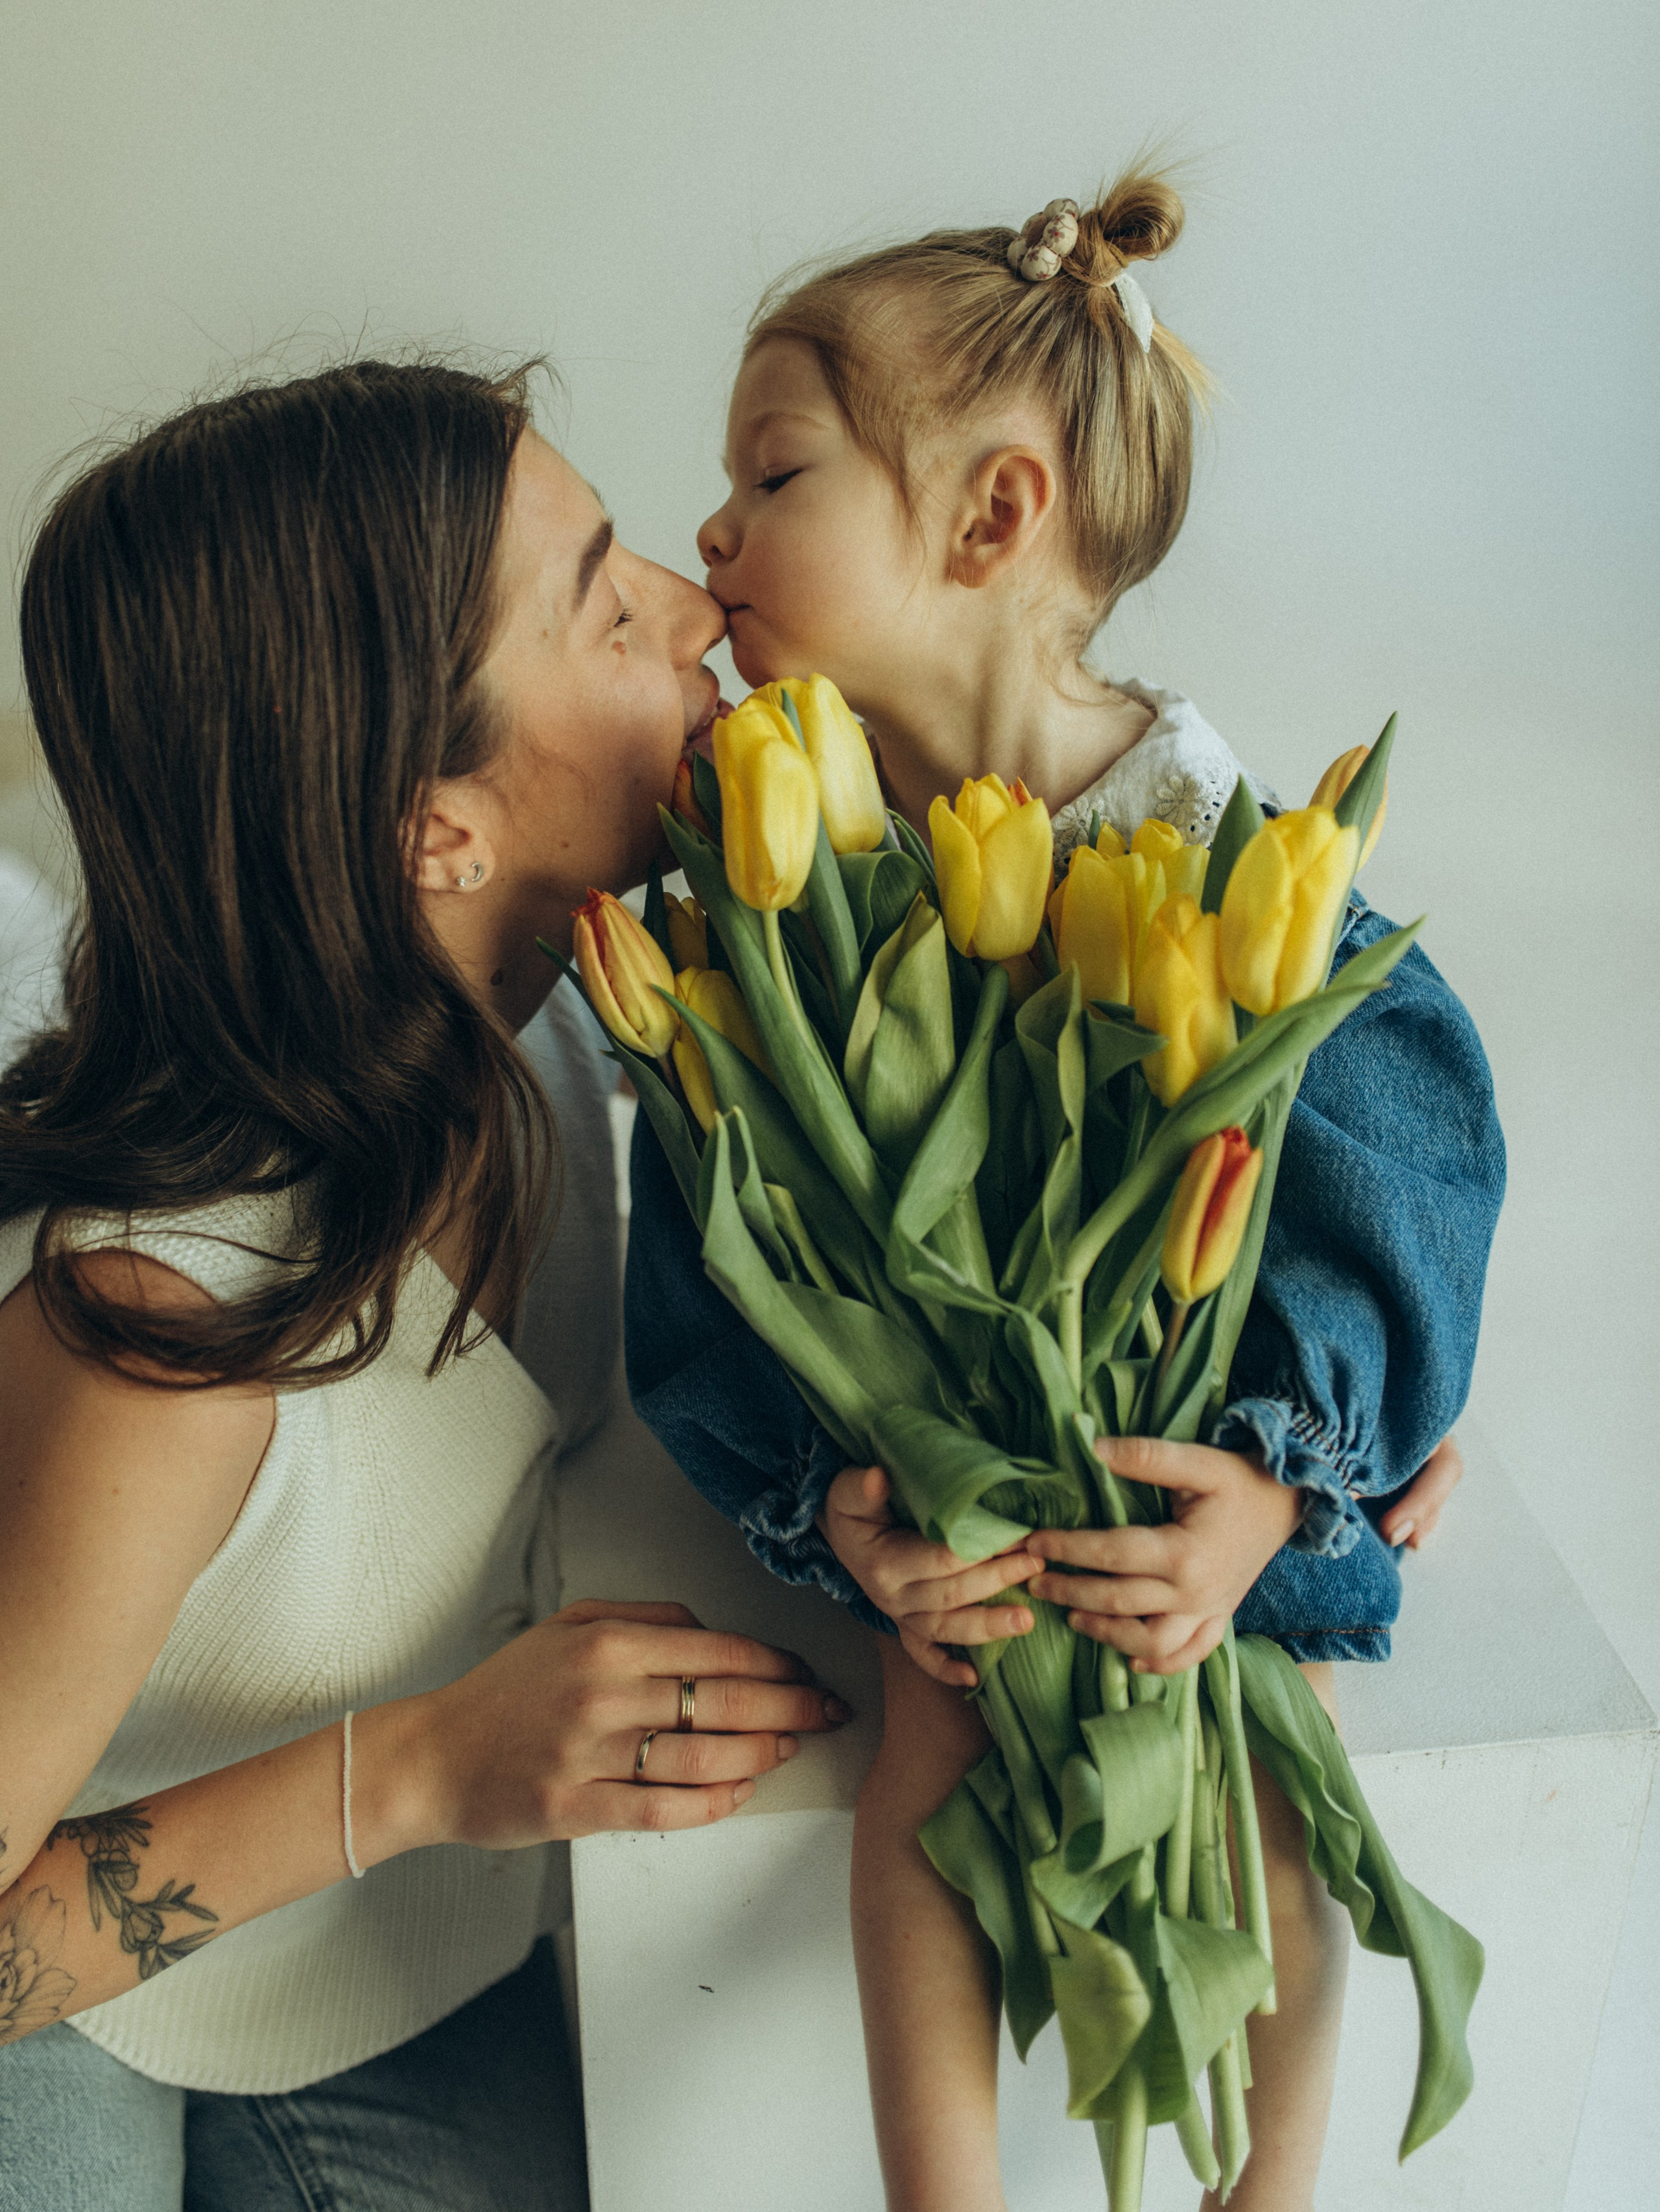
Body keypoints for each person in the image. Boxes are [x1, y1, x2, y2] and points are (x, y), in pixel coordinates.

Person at [624, 173, 1504, 2212]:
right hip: (978, 1513)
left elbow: (1388, 1145)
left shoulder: (1208, 850)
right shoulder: (800, 884)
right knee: (920, 1754)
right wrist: (836, 1501)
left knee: (1254, 1722)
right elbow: (732, 1211)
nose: (715, 535)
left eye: (773, 471)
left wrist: (1289, 1478)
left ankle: (1262, 2189)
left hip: (1173, 1490)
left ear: (992, 518)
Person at [0, 358, 850, 2212]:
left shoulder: (541, 1017)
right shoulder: (166, 1340)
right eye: (608, 601)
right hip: (70, 1988)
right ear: (430, 830)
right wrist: (414, 1771)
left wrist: (1316, 1420)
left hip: (371, 1932)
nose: (701, 609)